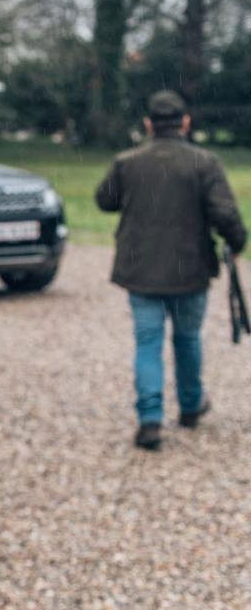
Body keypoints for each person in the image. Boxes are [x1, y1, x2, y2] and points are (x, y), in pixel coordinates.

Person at [94, 89, 247, 451]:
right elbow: (225, 213)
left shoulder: (127, 162)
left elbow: (104, 200)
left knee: (147, 342)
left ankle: (150, 419)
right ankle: (191, 406)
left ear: (149, 124)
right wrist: (237, 241)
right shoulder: (204, 162)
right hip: (189, 268)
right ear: (185, 123)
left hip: (141, 269)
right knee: (187, 339)